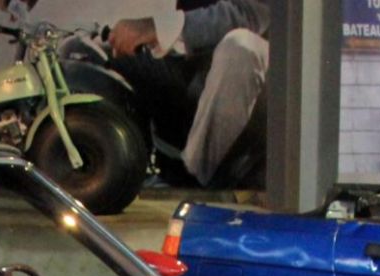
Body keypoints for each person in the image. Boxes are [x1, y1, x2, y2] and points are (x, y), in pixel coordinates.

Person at [106, 1, 270, 187]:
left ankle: (192, 178)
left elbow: (250, 15)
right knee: (89, 50)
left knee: (240, 47)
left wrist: (157, 27)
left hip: (281, 79)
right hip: (197, 58)